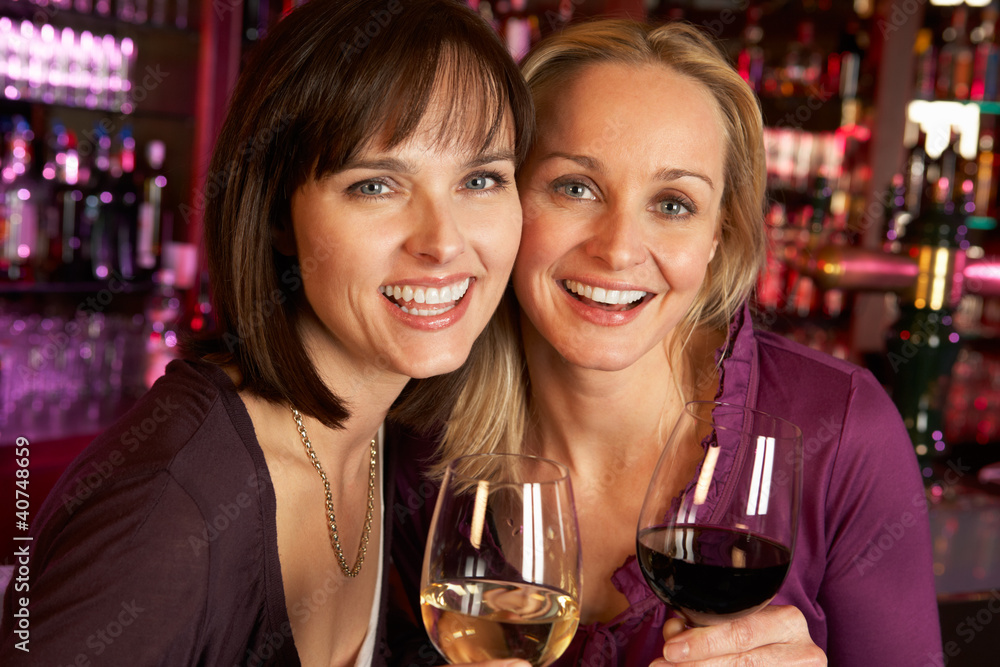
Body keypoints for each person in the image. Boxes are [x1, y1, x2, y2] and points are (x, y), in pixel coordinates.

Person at [388, 18, 943, 667]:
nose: (619, 248)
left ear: (717, 238)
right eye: (575, 187)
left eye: (674, 203)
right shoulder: (408, 425)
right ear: (501, 196)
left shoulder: (843, 430)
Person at [0, 1, 538, 665]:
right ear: (277, 215)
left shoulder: (385, 443)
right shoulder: (170, 513)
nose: (443, 242)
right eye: (375, 184)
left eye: (481, 178)